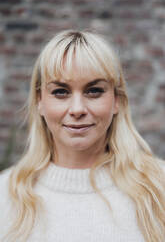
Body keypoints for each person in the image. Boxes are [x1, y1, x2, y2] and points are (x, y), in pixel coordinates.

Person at [0, 30, 165, 242]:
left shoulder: (159, 187)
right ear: (39, 101)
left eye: (94, 91)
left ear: (117, 100)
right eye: (61, 92)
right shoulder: (5, 195)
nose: (77, 109)